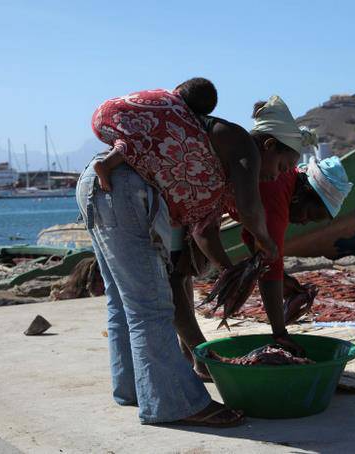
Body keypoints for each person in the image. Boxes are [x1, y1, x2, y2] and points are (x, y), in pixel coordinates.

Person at [77, 83, 298, 426]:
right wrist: (265, 242)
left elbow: (204, 230)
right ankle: (175, 404)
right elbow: (251, 208)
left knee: (123, 301)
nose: (279, 175)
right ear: (268, 146)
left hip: (102, 187)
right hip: (121, 192)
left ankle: (133, 388)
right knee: (152, 305)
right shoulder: (242, 146)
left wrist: (228, 270)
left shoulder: (211, 164)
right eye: (283, 165)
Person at [176, 151, 352, 379]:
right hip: (184, 195)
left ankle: (191, 354)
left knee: (183, 274)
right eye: (310, 214)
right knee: (174, 276)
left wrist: (280, 278)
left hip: (196, 201)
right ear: (305, 193)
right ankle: (202, 360)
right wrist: (279, 332)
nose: (305, 221)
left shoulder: (286, 183)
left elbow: (253, 240)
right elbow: (271, 264)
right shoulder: (277, 195)